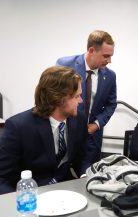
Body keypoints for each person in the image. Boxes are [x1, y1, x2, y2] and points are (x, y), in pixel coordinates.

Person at [0, 66, 88, 197]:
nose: (81, 100)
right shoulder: (19, 126)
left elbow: (82, 156)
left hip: (65, 189)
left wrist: (85, 175)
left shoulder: (78, 119)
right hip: (32, 193)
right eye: (77, 96)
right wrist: (21, 201)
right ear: (59, 99)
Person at [56, 30, 116, 173]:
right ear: (91, 50)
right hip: (67, 133)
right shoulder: (65, 65)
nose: (109, 61)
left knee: (88, 176)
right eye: (106, 56)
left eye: (111, 56)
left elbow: (111, 104)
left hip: (91, 136)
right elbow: (55, 96)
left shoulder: (110, 75)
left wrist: (97, 124)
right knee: (61, 173)